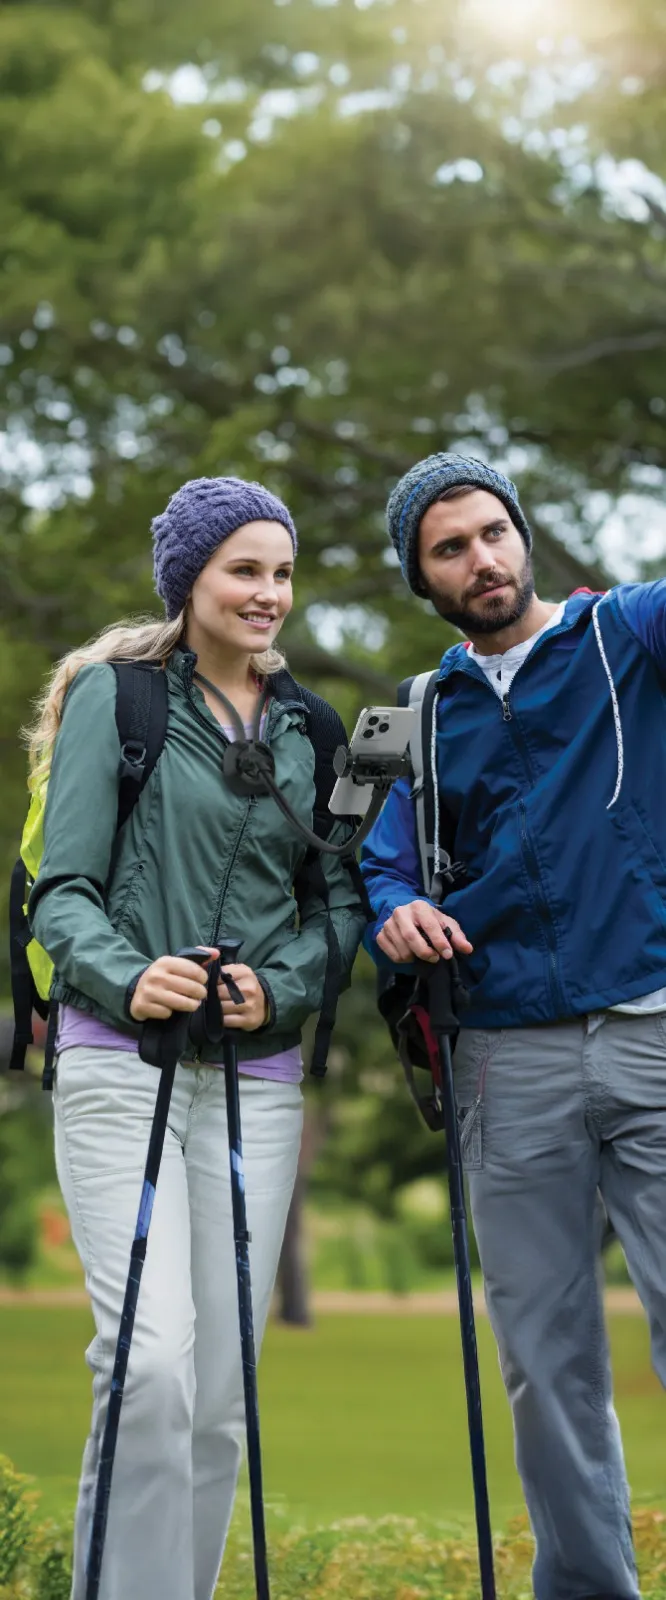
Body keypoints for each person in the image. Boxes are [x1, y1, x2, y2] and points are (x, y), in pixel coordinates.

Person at [27, 475, 366, 1600]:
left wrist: (284, 987)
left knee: (222, 1394)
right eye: (244, 569)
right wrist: (134, 975)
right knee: (151, 1364)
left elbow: (337, 906)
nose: (269, 592)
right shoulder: (116, 700)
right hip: (122, 1066)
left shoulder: (313, 729)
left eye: (282, 572)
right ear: (189, 580)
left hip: (256, 1085)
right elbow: (61, 891)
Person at [361, 451, 666, 1600]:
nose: (481, 559)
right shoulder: (414, 714)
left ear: (523, 535)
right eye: (450, 548)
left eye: (494, 532)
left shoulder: (627, 633)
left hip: (652, 1023)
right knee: (544, 1361)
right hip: (501, 1056)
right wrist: (394, 914)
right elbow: (379, 866)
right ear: (422, 579)